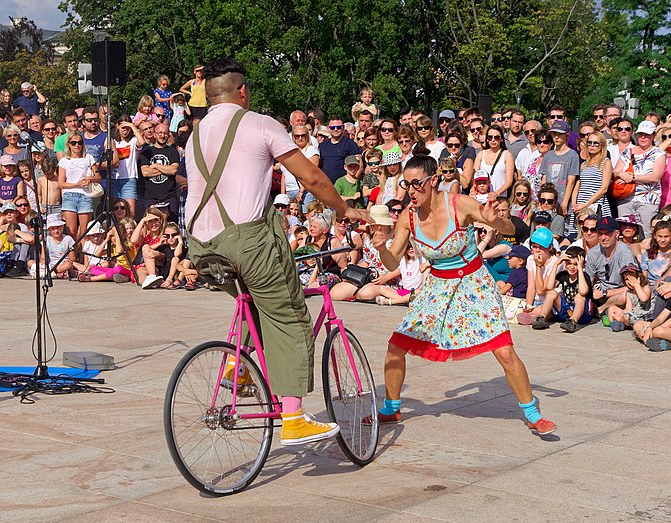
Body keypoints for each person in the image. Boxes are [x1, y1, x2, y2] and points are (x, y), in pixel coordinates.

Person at [184, 57, 370, 446]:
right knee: (290, 317)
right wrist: (344, 209)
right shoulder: (260, 123)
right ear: (243, 91)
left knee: (256, 305)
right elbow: (313, 176)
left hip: (200, 245)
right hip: (247, 240)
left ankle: (238, 365)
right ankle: (294, 417)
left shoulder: (194, 135)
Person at [367, 142, 556, 436]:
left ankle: (532, 414)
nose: (411, 191)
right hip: (437, 286)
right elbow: (393, 259)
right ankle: (391, 409)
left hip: (474, 283)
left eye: (416, 184)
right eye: (406, 184)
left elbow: (511, 230)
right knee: (396, 346)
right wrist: (381, 248)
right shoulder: (408, 216)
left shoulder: (459, 204)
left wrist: (494, 220)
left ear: (432, 181)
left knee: (504, 351)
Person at [613, 120, 666, 236]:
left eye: (647, 134)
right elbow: (615, 171)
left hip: (648, 201)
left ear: (653, 136)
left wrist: (632, 177)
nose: (643, 137)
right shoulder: (628, 151)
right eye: (640, 134)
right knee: (625, 233)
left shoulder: (659, 154)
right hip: (625, 198)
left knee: (646, 233)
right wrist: (621, 174)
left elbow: (655, 177)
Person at [531, 246, 593, 333]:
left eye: (575, 264)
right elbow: (549, 287)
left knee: (580, 296)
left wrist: (580, 268)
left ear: (583, 264)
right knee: (551, 293)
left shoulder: (584, 276)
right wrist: (556, 264)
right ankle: (541, 318)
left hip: (583, 314)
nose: (571, 267)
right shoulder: (563, 275)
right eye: (569, 263)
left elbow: (583, 291)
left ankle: (572, 322)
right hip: (567, 311)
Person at [585, 216, 637, 315]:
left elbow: (632, 286)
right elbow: (589, 281)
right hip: (598, 293)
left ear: (617, 234)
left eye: (607, 233)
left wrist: (605, 293)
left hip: (618, 294)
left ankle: (600, 310)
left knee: (625, 296)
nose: (603, 238)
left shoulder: (624, 252)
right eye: (600, 234)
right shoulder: (593, 253)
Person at [474, 123, 514, 197]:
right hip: (482, 197)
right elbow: (474, 176)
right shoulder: (481, 154)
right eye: (490, 137)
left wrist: (497, 193)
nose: (493, 140)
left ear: (501, 139)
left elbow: (509, 181)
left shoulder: (507, 155)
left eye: (496, 137)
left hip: (500, 198)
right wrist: (473, 190)